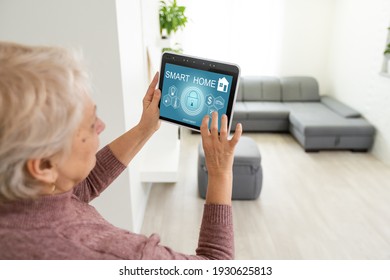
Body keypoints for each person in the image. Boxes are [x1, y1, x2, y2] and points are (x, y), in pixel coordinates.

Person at [0, 41, 242, 259]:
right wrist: (220, 173)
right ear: (43, 166)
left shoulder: (26, 198)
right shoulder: (109, 253)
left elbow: (78, 190)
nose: (101, 126)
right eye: (90, 123)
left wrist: (144, 129)